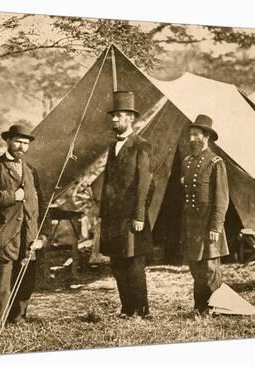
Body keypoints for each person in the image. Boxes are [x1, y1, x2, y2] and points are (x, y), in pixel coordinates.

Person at [0, 124, 50, 334]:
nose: (22, 147)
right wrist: (12, 196)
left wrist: (42, 235)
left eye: (26, 143)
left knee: (26, 280)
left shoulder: (30, 171)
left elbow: (42, 204)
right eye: (18, 141)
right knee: (2, 283)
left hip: (28, 236)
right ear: (8, 141)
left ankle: (17, 318)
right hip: (5, 235)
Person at [99, 91, 154, 319]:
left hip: (132, 217)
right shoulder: (113, 146)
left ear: (130, 118)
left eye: (118, 116)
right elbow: (108, 182)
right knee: (118, 263)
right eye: (113, 116)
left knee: (134, 264)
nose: (113, 120)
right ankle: (126, 308)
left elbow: (145, 184)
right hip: (112, 218)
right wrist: (102, 213)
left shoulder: (142, 145)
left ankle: (142, 310)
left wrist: (139, 215)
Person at [180, 114, 229, 316]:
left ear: (206, 136)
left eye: (196, 135)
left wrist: (216, 227)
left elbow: (221, 198)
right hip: (192, 225)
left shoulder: (216, 162)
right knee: (196, 268)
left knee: (210, 270)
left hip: (209, 225)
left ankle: (214, 308)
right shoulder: (187, 162)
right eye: (190, 134)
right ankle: (199, 307)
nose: (191, 139)